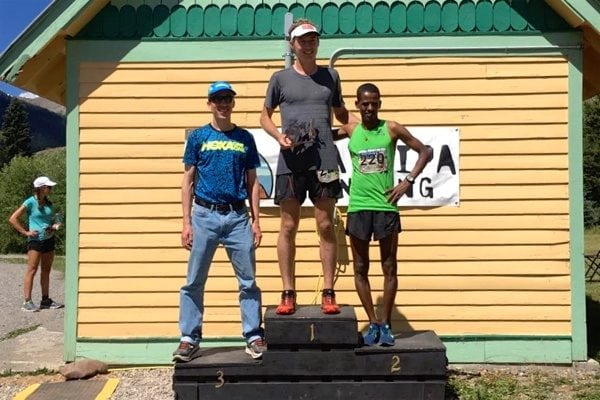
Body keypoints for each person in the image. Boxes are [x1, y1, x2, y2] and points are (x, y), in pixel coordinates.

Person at [260, 19, 359, 315]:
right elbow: (264, 116)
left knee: (326, 225)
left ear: (318, 43)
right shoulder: (280, 79)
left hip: (324, 162)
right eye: (302, 40)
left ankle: (329, 292)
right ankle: (288, 292)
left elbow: (341, 113)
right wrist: (278, 135)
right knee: (288, 225)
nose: (308, 44)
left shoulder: (332, 76)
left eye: (313, 39)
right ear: (293, 44)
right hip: (291, 162)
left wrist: (361, 127)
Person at [173, 81, 266, 362]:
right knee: (194, 280)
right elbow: (188, 180)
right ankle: (189, 338)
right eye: (218, 99)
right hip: (204, 215)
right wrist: (186, 222)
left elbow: (252, 181)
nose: (223, 104)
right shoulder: (198, 137)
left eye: (227, 99)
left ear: (233, 103)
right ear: (209, 104)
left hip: (238, 217)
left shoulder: (245, 138)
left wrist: (256, 221)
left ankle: (253, 335)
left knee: (248, 281)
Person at [335, 83, 432, 346]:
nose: (369, 108)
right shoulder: (350, 130)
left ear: (380, 103)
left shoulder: (391, 128)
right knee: (360, 267)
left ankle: (386, 323)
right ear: (357, 104)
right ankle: (374, 323)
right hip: (358, 207)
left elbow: (426, 151)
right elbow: (321, 138)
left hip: (385, 207)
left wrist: (408, 181)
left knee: (389, 267)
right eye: (364, 104)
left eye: (374, 103)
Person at [8, 176, 64, 312]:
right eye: (48, 187)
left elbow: (51, 221)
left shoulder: (49, 204)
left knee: (46, 270)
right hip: (35, 240)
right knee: (32, 270)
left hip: (48, 239)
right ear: (41, 188)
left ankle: (45, 301)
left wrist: (54, 226)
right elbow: (13, 219)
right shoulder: (30, 202)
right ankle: (27, 302)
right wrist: (26, 232)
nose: (51, 189)